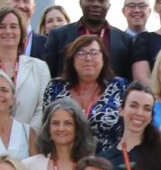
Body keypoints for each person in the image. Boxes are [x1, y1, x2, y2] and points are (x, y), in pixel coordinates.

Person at [42, 32, 127, 160]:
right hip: (63, 163)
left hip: (108, 163)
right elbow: (46, 127)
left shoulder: (120, 87)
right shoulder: (55, 87)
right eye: (81, 53)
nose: (88, 58)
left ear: (103, 58)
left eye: (94, 53)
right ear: (72, 59)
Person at [41, 0, 133, 79]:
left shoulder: (125, 40)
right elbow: (47, 75)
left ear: (108, 6)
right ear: (81, 3)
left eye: (101, 0)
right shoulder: (58, 36)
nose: (96, 4)